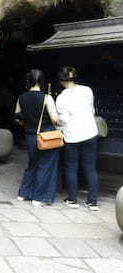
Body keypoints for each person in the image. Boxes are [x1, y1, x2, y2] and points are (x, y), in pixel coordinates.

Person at [55, 66, 100, 211]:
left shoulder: (61, 98)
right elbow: (92, 110)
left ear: (61, 80)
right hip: (90, 133)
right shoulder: (87, 90)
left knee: (71, 167)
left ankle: (72, 199)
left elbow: (63, 120)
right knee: (90, 167)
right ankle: (92, 202)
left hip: (72, 136)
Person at [14, 69, 60, 207]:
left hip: (29, 136)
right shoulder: (47, 98)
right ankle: (38, 198)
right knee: (45, 166)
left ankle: (23, 194)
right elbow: (55, 119)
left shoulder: (21, 97)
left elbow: (17, 117)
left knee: (32, 164)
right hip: (45, 137)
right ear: (42, 81)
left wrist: (28, 123)